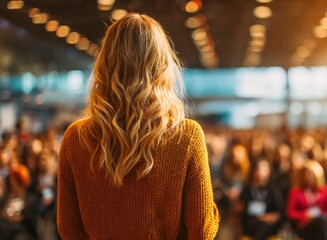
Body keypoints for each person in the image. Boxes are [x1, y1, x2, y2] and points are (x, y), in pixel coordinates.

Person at [57, 13, 219, 239]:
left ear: (105, 63)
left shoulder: (76, 137)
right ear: (162, 64)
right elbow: (201, 231)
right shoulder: (187, 136)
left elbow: (68, 228)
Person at [287, 160, 327, 240]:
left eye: (309, 174)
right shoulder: (295, 192)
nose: (306, 177)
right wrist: (305, 216)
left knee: (321, 221)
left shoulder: (325, 191)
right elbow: (291, 212)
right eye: (304, 174)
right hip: (304, 225)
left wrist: (322, 215)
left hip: (322, 222)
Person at [238, 159, 283, 239]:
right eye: (258, 169)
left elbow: (278, 213)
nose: (261, 173)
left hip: (266, 223)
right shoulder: (247, 188)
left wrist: (266, 217)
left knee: (264, 226)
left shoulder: (273, 190)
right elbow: (240, 209)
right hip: (250, 222)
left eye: (264, 169)